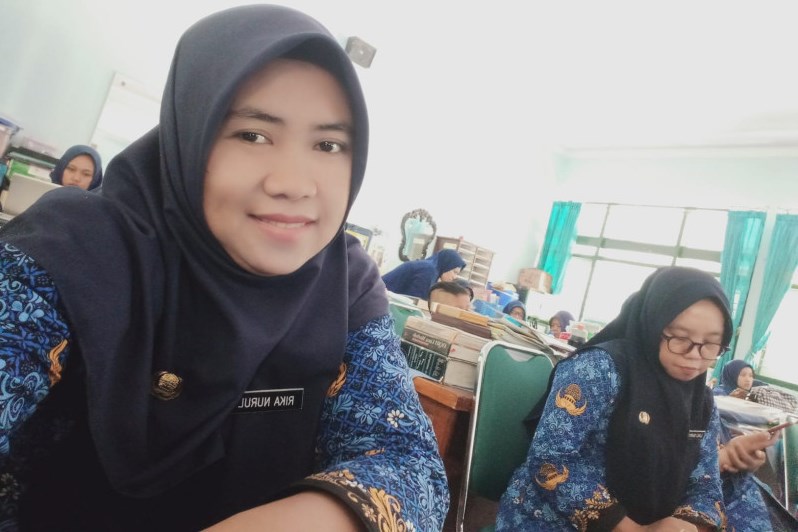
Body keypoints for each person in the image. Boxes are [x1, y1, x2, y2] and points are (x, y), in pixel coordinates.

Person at [0, 5, 448, 531]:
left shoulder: (344, 284)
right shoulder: (76, 247)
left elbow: (409, 463)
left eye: (329, 145)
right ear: (191, 135)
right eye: (252, 135)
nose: (293, 184)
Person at [497, 266, 731, 531]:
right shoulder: (599, 369)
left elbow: (706, 482)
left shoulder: (702, 401)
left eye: (711, 344)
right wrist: (634, 529)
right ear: (653, 325)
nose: (695, 355)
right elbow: (550, 459)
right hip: (553, 520)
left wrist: (687, 524)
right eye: (680, 338)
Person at [382, 248, 466, 300]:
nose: (455, 277)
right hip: (379, 297)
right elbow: (415, 301)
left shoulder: (431, 268)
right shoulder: (429, 270)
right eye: (454, 272)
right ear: (447, 265)